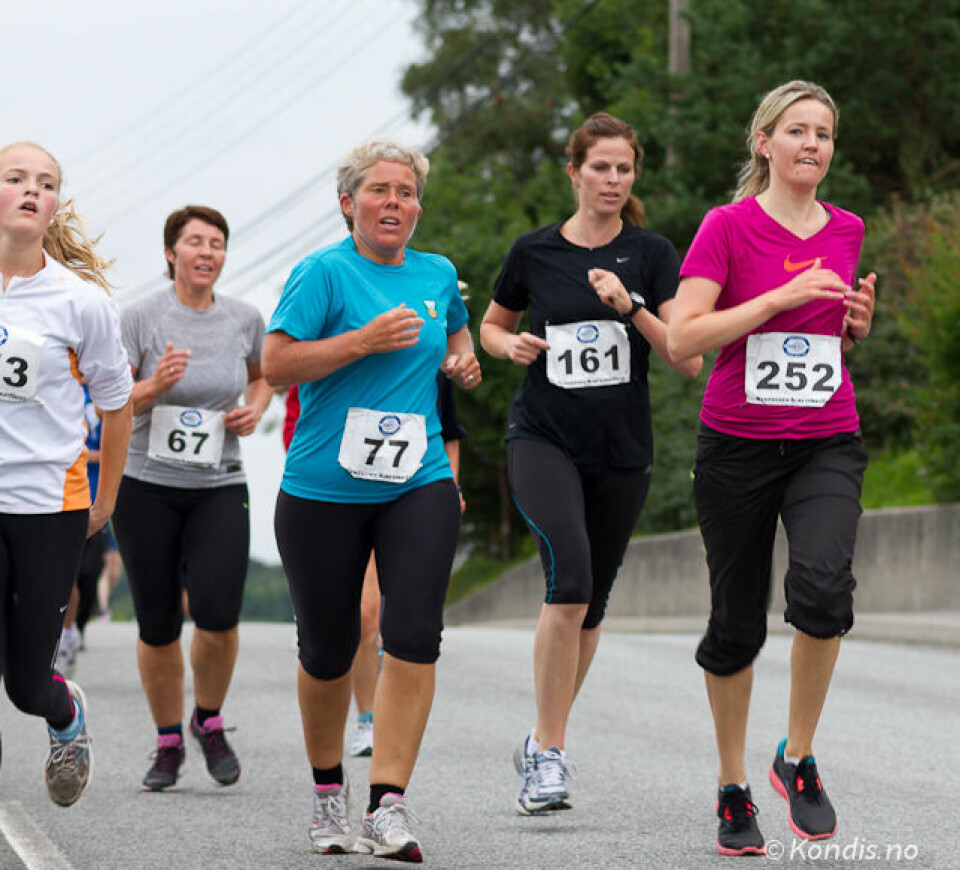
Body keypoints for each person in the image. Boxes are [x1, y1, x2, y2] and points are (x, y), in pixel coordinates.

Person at [666, 80, 876, 856]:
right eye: (798, 131)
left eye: (824, 133)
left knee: (824, 590)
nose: (813, 145)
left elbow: (826, 336)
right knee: (736, 623)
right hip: (736, 447)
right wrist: (776, 299)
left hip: (825, 437)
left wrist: (855, 322)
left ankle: (796, 756)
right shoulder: (727, 227)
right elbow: (686, 338)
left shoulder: (848, 227)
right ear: (765, 142)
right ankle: (732, 784)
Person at [262, 137, 480, 862]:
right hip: (322, 488)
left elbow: (454, 336)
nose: (396, 203)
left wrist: (464, 358)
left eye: (407, 192)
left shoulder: (438, 272)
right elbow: (277, 361)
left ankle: (389, 802)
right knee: (327, 650)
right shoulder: (322, 273)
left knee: (413, 633)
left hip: (416, 480)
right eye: (381, 191)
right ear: (348, 202)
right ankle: (329, 794)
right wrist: (361, 341)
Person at [479, 113, 702, 816]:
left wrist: (629, 304)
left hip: (622, 451)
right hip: (543, 436)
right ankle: (550, 755)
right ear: (574, 172)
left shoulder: (654, 252)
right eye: (599, 167)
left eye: (624, 169)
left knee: (593, 604)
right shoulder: (534, 251)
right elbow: (492, 323)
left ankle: (543, 736)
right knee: (568, 582)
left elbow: (687, 358)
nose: (612, 180)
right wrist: (504, 346)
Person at [112, 205, 272, 792]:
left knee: (218, 612)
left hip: (219, 483)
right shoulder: (140, 317)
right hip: (146, 485)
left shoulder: (244, 318)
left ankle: (207, 718)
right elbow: (114, 400)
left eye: (217, 244)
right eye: (195, 242)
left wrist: (256, 407)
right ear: (170, 253)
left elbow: (263, 375)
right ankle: (167, 741)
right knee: (156, 623)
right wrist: (154, 386)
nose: (207, 253)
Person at [0, 141, 133, 804]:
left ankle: (64, 713)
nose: (32, 190)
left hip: (48, 504)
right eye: (16, 178)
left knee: (25, 685)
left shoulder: (80, 302)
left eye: (45, 183)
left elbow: (117, 405)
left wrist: (104, 499)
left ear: (53, 207)